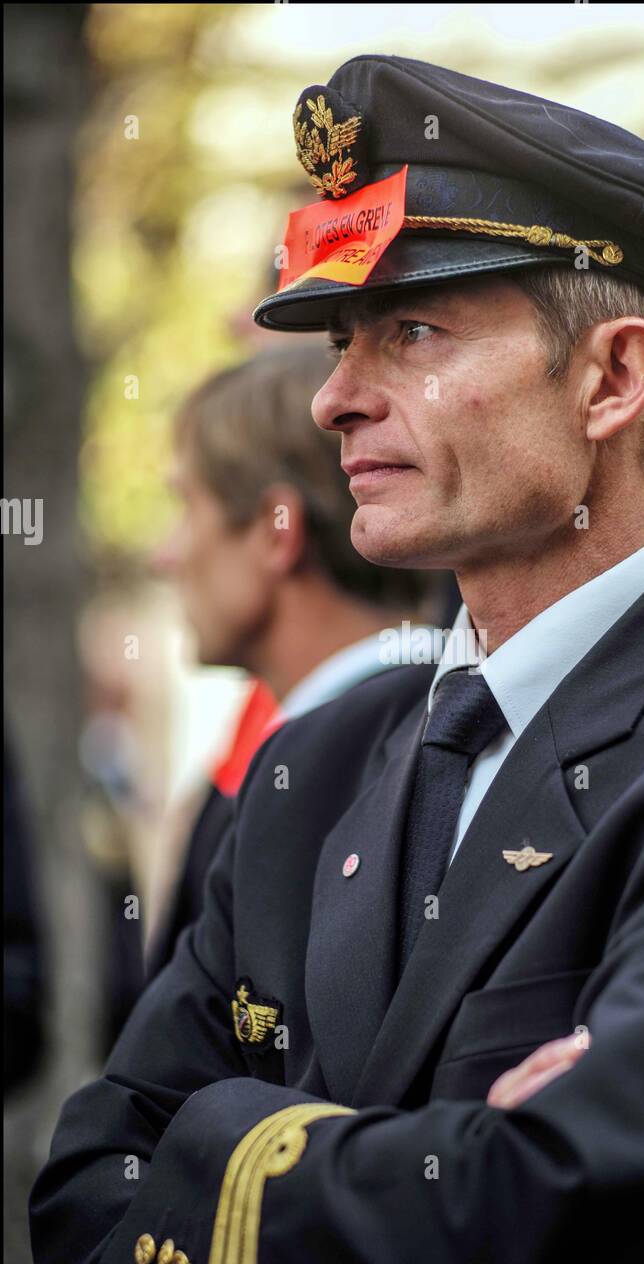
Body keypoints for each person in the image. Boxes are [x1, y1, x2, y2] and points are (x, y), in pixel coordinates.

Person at [30, 55, 644, 1264]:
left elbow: (550, 1225)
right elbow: (87, 1179)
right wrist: (439, 1151)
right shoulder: (319, 757)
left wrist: (220, 1150)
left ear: (611, 380)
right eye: (339, 342)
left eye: (409, 333)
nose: (332, 400)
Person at [145, 345, 439, 978]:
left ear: (277, 532)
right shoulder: (411, 729)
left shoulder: (399, 764)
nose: (162, 556)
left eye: (185, 505)